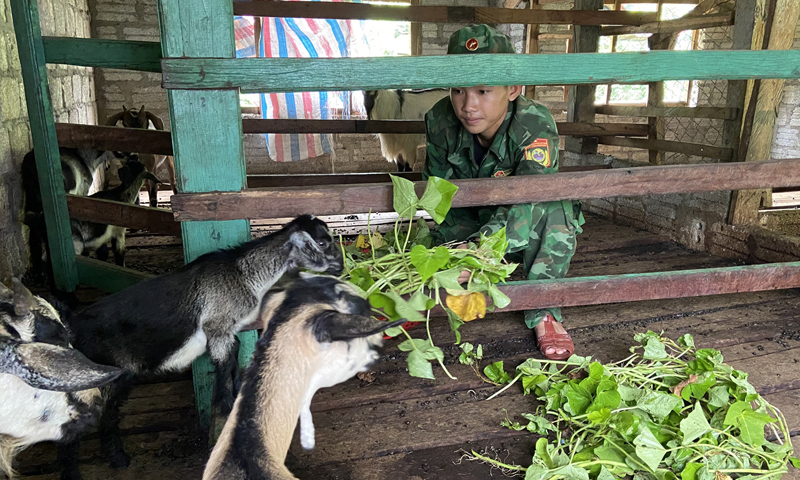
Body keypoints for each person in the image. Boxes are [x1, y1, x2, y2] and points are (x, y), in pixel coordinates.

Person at [421, 24, 584, 360]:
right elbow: (437, 193)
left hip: (518, 222)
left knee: (557, 207)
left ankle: (543, 312)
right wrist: (452, 249)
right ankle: (467, 278)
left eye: (483, 91)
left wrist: (480, 250)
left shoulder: (534, 123)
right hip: (468, 224)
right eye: (457, 90)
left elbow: (531, 196)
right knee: (429, 263)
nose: (467, 105)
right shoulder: (439, 119)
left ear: (513, 88)